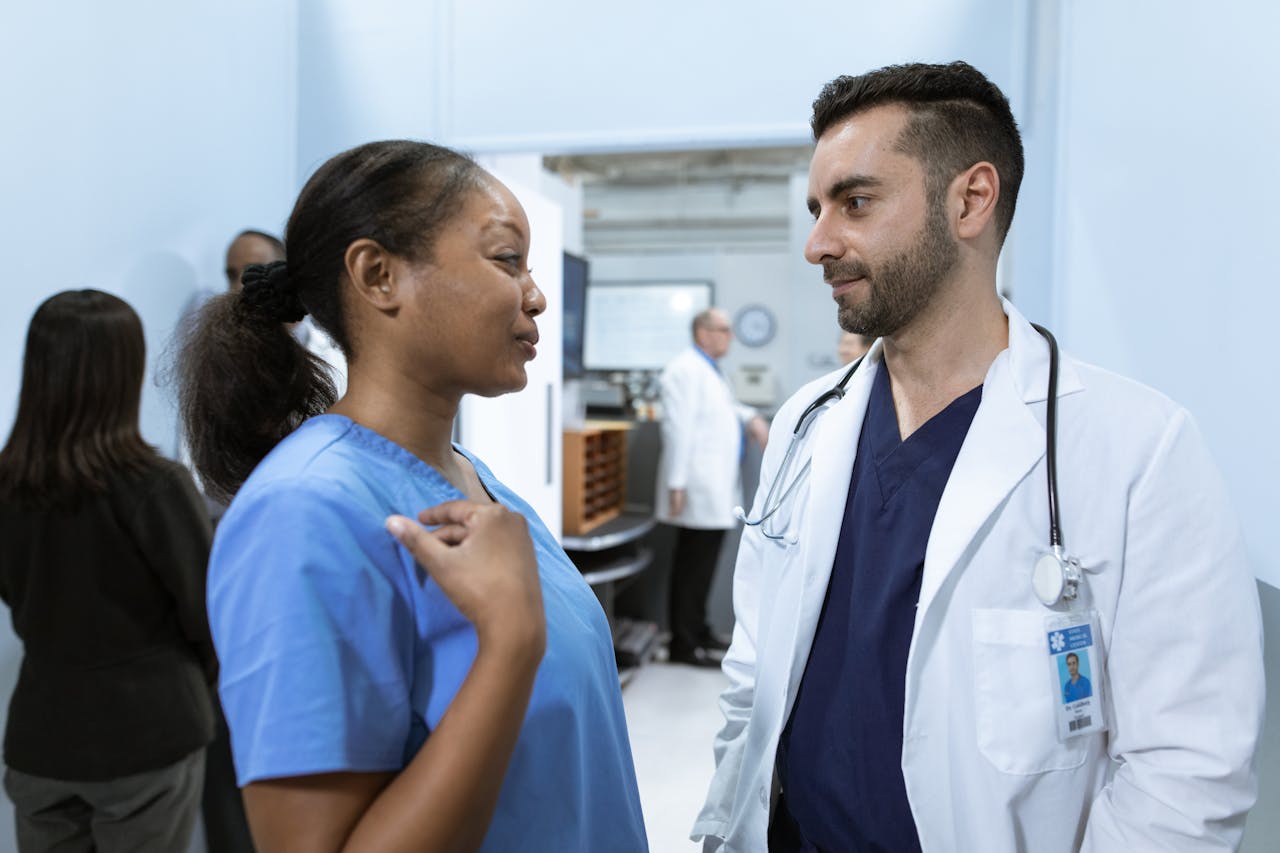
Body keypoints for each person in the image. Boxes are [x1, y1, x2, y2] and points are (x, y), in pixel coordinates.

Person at [692, 61, 1263, 852]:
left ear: (970, 200)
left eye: (854, 203)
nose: (818, 242)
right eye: (818, 208)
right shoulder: (806, 425)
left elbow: (1187, 771)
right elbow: (753, 679)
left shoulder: (1138, 450)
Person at [176, 140, 646, 852]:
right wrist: (508, 647)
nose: (536, 294)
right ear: (379, 274)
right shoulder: (304, 511)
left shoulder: (471, 475)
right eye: (505, 258)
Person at [0, 290, 216, 852]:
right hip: (148, 734)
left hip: (40, 736)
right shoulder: (156, 486)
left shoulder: (6, 486)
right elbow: (207, 611)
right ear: (126, 370)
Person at [655, 308, 769, 667]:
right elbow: (678, 430)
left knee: (702, 566)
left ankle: (698, 630)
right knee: (692, 567)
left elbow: (725, 408)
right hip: (696, 486)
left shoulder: (707, 370)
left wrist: (750, 417)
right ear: (702, 332)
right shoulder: (684, 370)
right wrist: (676, 484)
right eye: (722, 330)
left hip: (713, 486)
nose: (729, 337)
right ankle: (683, 644)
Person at [226, 228, 348, 397]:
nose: (238, 287)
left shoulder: (337, 363)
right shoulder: (222, 366)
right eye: (232, 276)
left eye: (252, 272)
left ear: (283, 273)